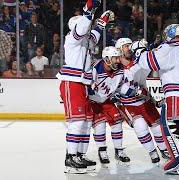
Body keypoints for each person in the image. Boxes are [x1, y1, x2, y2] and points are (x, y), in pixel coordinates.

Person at [56, 0, 114, 174]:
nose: (88, 30)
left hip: (82, 84)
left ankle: (78, 155)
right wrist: (89, 12)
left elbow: (94, 33)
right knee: (77, 122)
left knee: (86, 122)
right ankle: (71, 158)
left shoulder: (86, 42)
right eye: (86, 27)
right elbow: (82, 29)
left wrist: (102, 20)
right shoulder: (72, 39)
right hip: (72, 82)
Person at [135, 24, 179, 174]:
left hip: (178, 92)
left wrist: (140, 51)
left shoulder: (168, 48)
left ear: (169, 34)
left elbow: (149, 62)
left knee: (175, 128)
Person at [115, 38, 170, 164]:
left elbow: (142, 84)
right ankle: (152, 152)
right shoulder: (116, 68)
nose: (129, 48)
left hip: (144, 102)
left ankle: (164, 150)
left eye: (130, 45)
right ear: (119, 50)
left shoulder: (139, 64)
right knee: (140, 126)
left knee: (157, 127)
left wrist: (152, 99)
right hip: (128, 104)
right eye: (126, 46)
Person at [88, 46, 130, 166]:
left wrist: (124, 92)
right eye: (115, 58)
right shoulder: (95, 69)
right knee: (100, 126)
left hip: (107, 101)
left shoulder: (120, 69)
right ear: (107, 59)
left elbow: (121, 85)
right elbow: (87, 86)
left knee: (117, 122)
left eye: (118, 58)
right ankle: (102, 151)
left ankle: (119, 151)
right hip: (94, 102)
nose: (118, 61)